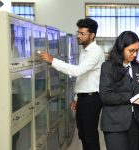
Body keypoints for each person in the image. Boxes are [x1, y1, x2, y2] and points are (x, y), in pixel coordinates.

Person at [40, 18, 105, 150]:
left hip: (92, 99)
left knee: (90, 136)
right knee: (82, 134)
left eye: (82, 34)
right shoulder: (84, 51)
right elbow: (83, 76)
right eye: (78, 33)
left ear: (92, 35)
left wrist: (53, 61)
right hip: (84, 97)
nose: (78, 36)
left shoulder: (96, 51)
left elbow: (77, 71)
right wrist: (77, 98)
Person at [99, 31, 139, 150]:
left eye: (137, 51)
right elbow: (105, 95)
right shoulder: (108, 67)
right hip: (115, 123)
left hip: (135, 122)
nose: (134, 54)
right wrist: (131, 98)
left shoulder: (138, 67)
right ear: (121, 48)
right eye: (131, 51)